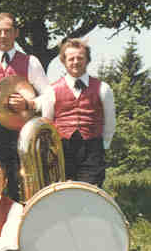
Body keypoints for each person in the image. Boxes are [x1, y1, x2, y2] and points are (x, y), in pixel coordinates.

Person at [0, 12, 50, 201]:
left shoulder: (31, 62)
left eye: (8, 31)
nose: (3, 35)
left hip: (20, 131)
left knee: (18, 182)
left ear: (16, 33)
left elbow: (48, 96)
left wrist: (29, 103)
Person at [43, 38, 116, 188]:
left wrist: (103, 146)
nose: (75, 62)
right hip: (62, 150)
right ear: (64, 61)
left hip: (92, 149)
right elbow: (47, 123)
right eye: (71, 58)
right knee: (63, 192)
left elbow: (110, 122)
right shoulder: (51, 90)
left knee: (89, 193)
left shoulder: (103, 88)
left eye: (80, 58)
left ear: (87, 60)